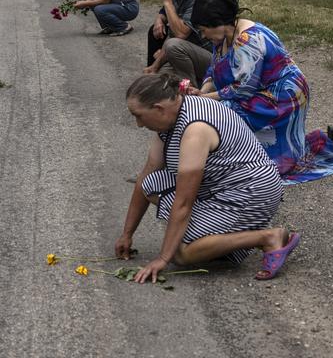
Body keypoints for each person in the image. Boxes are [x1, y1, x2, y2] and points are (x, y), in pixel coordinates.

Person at [118, 73, 297, 283]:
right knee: (151, 184)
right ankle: (217, 238)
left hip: (251, 191)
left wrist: (163, 258)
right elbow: (146, 175)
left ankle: (267, 237)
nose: (138, 124)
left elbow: (184, 202)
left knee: (180, 254)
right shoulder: (169, 121)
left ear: (159, 108)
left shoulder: (195, 129)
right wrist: (127, 233)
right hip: (217, 187)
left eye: (138, 115)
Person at [189, 0, 333, 184]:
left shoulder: (248, 40)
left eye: (203, 29)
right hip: (261, 91)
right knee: (216, 109)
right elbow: (213, 69)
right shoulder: (222, 37)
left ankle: (245, 163)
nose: (202, 35)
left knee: (223, 112)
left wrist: (204, 99)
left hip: (282, 96)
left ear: (216, 22)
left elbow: (242, 89)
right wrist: (202, 91)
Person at [144, 0, 212, 86]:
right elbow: (165, 14)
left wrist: (167, 2)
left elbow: (180, 34)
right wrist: (159, 20)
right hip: (183, 52)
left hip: (210, 58)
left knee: (172, 45)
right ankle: (162, 75)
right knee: (157, 84)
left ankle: (190, 89)